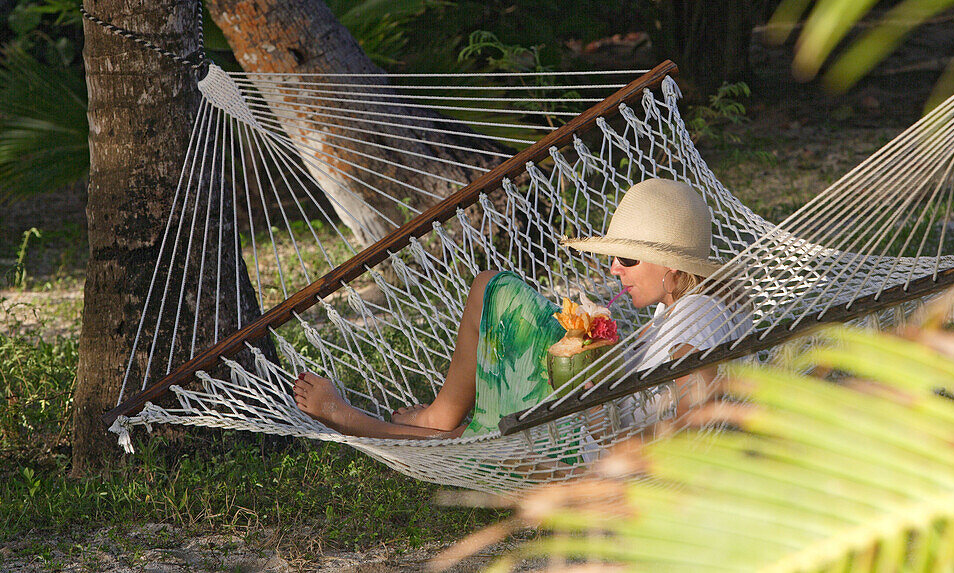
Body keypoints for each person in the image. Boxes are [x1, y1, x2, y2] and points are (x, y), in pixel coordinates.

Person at [292, 178, 748, 439]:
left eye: (626, 259)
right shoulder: (679, 307)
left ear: (671, 265)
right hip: (588, 422)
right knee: (498, 302)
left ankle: (354, 419)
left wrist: (623, 450)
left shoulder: (696, 316)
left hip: (590, 444)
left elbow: (699, 406)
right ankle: (438, 418)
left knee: (496, 289)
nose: (613, 268)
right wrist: (596, 353)